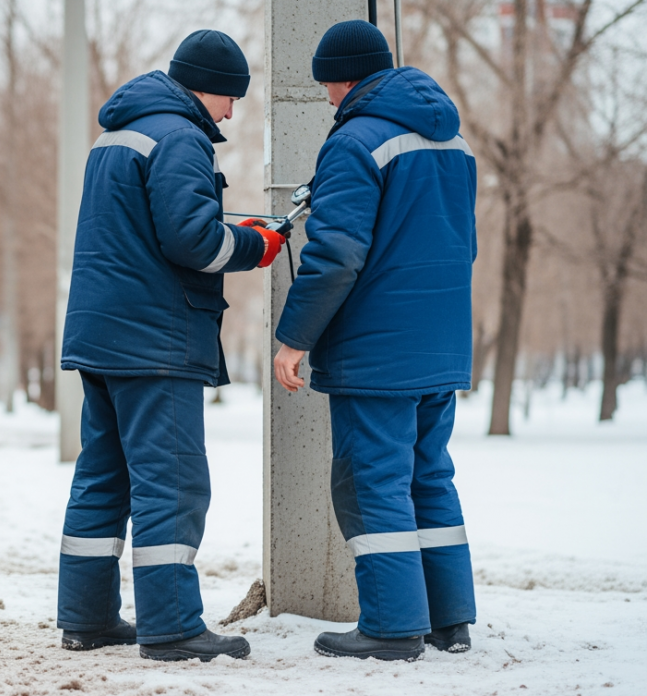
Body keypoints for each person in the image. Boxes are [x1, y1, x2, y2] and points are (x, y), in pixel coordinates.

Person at [57, 30, 284, 662]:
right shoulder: (180, 136)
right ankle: (172, 626)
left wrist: (232, 228)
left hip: (102, 336)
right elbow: (193, 243)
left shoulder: (119, 135)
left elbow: (140, 232)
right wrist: (255, 246)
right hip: (155, 340)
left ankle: (88, 618)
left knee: (104, 478)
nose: (231, 113)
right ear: (204, 87)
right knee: (172, 483)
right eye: (230, 98)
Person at [272, 20, 478, 661]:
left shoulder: (356, 141)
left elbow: (335, 254)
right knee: (428, 476)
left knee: (371, 481)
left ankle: (391, 627)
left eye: (326, 87)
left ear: (343, 77)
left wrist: (293, 337)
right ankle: (448, 620)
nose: (326, 100)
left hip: (377, 345)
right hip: (441, 342)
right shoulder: (453, 139)